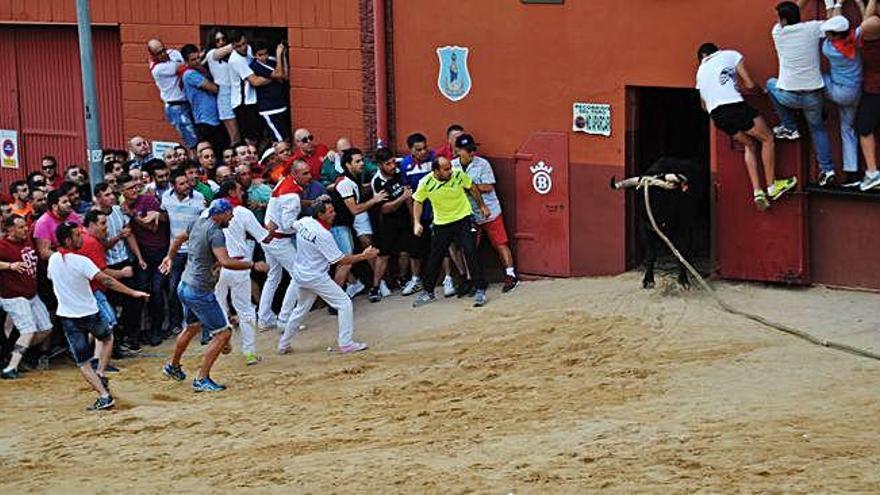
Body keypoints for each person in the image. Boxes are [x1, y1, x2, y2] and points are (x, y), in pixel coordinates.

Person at [159, 199, 267, 392]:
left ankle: (173, 366)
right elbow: (225, 262)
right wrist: (253, 265)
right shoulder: (216, 233)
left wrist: (170, 257)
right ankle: (202, 378)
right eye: (229, 214)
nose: (231, 217)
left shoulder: (197, 223)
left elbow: (177, 240)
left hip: (185, 285)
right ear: (219, 214)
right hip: (199, 290)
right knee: (223, 334)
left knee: (191, 327)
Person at [48, 222, 149, 410]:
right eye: (77, 235)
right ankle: (101, 372)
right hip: (89, 313)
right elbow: (107, 280)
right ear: (68, 240)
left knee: (83, 363)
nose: (81, 237)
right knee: (107, 337)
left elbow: (52, 278)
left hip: (68, 317)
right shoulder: (81, 261)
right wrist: (133, 292)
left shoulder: (53, 260)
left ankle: (103, 394)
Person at [696, 43, 798, 209]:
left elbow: (703, 105)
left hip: (717, 116)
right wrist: (762, 92)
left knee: (749, 144)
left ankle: (757, 191)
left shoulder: (700, 72)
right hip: (734, 106)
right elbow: (749, 84)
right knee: (768, 138)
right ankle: (772, 186)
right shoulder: (731, 55)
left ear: (702, 57)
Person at [277, 199, 377, 355]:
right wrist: (364, 256)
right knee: (344, 303)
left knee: (300, 310)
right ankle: (346, 343)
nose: (334, 213)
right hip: (315, 276)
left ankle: (283, 345)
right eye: (330, 212)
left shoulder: (304, 222)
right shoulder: (322, 234)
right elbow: (340, 260)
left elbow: (291, 225)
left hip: (300, 273)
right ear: (320, 214)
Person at [767, 0, 836, 186]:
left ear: (782, 19)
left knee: (770, 84)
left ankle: (789, 127)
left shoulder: (778, 32)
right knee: (818, 129)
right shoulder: (813, 28)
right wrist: (830, 3)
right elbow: (834, 24)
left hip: (789, 95)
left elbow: (793, 12)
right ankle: (827, 169)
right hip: (813, 94)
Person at [411, 157, 490, 308]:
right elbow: (418, 201)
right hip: (442, 223)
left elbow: (472, 187)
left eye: (449, 168)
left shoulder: (458, 175)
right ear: (436, 171)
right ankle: (428, 292)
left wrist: (482, 206)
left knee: (470, 250)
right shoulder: (426, 183)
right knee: (435, 256)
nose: (450, 171)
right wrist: (416, 222)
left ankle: (480, 288)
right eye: (446, 169)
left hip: (463, 219)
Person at [452, 134, 520, 292]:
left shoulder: (483, 164)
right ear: (457, 151)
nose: (471, 153)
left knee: (500, 243)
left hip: (489, 211)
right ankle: (473, 278)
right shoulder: (453, 166)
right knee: (468, 247)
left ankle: (510, 275)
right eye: (467, 150)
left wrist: (469, 187)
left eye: (472, 150)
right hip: (468, 213)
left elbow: (488, 186)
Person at [213, 181, 270, 365]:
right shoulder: (242, 212)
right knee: (245, 309)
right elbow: (263, 236)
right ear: (231, 192)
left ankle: (224, 337)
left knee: (219, 305)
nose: (242, 192)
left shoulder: (207, 213)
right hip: (238, 265)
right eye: (239, 189)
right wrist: (277, 228)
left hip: (216, 266)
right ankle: (250, 353)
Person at [400, 133, 456, 297]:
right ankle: (416, 279)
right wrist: (414, 219)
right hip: (420, 214)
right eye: (419, 149)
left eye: (425, 147)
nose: (423, 151)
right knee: (415, 248)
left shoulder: (435, 159)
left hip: (439, 212)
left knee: (443, 247)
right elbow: (408, 194)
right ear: (411, 150)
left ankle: (448, 279)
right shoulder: (405, 165)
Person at [329, 148, 387, 297]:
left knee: (345, 262)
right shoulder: (345, 183)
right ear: (348, 165)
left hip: (343, 226)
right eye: (358, 161)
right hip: (339, 227)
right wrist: (374, 200)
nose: (362, 163)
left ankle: (346, 291)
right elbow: (354, 209)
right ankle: (335, 300)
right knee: (345, 263)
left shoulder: (351, 180)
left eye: (362, 160)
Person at [120, 173, 169, 346]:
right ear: (122, 191)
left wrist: (133, 216)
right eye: (130, 188)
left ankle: (156, 330)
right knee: (140, 291)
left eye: (135, 186)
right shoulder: (121, 206)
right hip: (142, 254)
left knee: (156, 289)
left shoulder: (147, 200)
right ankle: (136, 333)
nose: (134, 190)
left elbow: (153, 227)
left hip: (159, 251)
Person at [0, 215, 52, 379]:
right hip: (14, 296)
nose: (25, 230)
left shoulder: (27, 240)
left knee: (45, 328)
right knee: (28, 330)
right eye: (21, 227)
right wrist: (9, 266)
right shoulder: (3, 245)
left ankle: (13, 353)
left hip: (32, 294)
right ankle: (10, 368)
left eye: (25, 226)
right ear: (10, 229)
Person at [819, 7, 863, 185]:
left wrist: (833, 5)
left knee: (812, 79)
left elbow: (832, 20)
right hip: (856, 92)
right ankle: (851, 173)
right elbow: (866, 21)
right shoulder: (857, 38)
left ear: (835, 35)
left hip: (838, 91)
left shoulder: (829, 49)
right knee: (847, 130)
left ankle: (818, 106)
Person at [258, 158, 304, 330]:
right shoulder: (291, 195)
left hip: (267, 236)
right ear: (295, 174)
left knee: (273, 277)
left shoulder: (285, 182)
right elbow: (287, 224)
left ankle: (264, 318)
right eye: (305, 174)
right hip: (278, 240)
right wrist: (304, 226)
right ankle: (285, 319)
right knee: (298, 275)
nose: (310, 176)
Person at [161, 169, 206, 334]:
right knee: (174, 288)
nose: (187, 186)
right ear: (173, 186)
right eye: (182, 184)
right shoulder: (166, 197)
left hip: (195, 251)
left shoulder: (199, 198)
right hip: (176, 251)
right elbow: (163, 215)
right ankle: (176, 323)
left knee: (195, 287)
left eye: (187, 182)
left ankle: (195, 322)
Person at [368, 147, 412, 302]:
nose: (393, 166)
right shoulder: (377, 182)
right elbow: (385, 209)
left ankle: (402, 279)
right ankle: (375, 287)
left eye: (393, 161)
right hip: (387, 222)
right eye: (388, 164)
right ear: (380, 165)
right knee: (383, 255)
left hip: (404, 218)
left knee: (405, 251)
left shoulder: (401, 170)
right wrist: (402, 198)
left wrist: (413, 218)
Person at [146, 39, 199, 150]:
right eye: (159, 53)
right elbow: (186, 65)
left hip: (187, 101)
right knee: (192, 140)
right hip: (176, 106)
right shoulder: (157, 69)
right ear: (153, 55)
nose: (163, 54)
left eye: (163, 50)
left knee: (199, 135)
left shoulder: (173, 53)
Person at [227, 31, 276, 145]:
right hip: (243, 104)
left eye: (244, 43)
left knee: (263, 134)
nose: (243, 47)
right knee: (251, 138)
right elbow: (255, 81)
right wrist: (276, 77)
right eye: (238, 46)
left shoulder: (249, 49)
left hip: (253, 100)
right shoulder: (235, 60)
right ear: (233, 46)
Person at [180, 44, 230, 154]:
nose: (197, 61)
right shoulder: (190, 74)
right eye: (193, 59)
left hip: (213, 118)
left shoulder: (198, 71)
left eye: (198, 58)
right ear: (186, 61)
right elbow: (214, 88)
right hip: (205, 120)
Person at [855, 0, 880, 190]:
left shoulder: (874, 28)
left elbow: (865, 27)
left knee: (864, 127)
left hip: (875, 89)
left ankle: (872, 173)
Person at [204, 28, 240, 145]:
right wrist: (237, 42)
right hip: (224, 92)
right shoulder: (211, 54)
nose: (221, 42)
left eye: (223, 39)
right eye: (217, 40)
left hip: (237, 90)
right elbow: (219, 52)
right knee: (234, 133)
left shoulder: (233, 55)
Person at [249, 39, 290, 142]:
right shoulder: (256, 65)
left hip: (280, 105)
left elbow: (284, 76)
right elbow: (279, 74)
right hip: (269, 109)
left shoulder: (271, 60)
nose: (264, 57)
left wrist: (282, 56)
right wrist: (278, 53)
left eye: (266, 53)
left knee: (286, 138)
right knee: (280, 141)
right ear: (254, 55)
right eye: (260, 55)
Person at [33, 190, 82, 260]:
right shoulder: (42, 223)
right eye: (64, 202)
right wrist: (68, 259)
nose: (69, 204)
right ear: (55, 206)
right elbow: (44, 253)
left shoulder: (72, 214)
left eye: (68, 201)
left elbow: (83, 235)